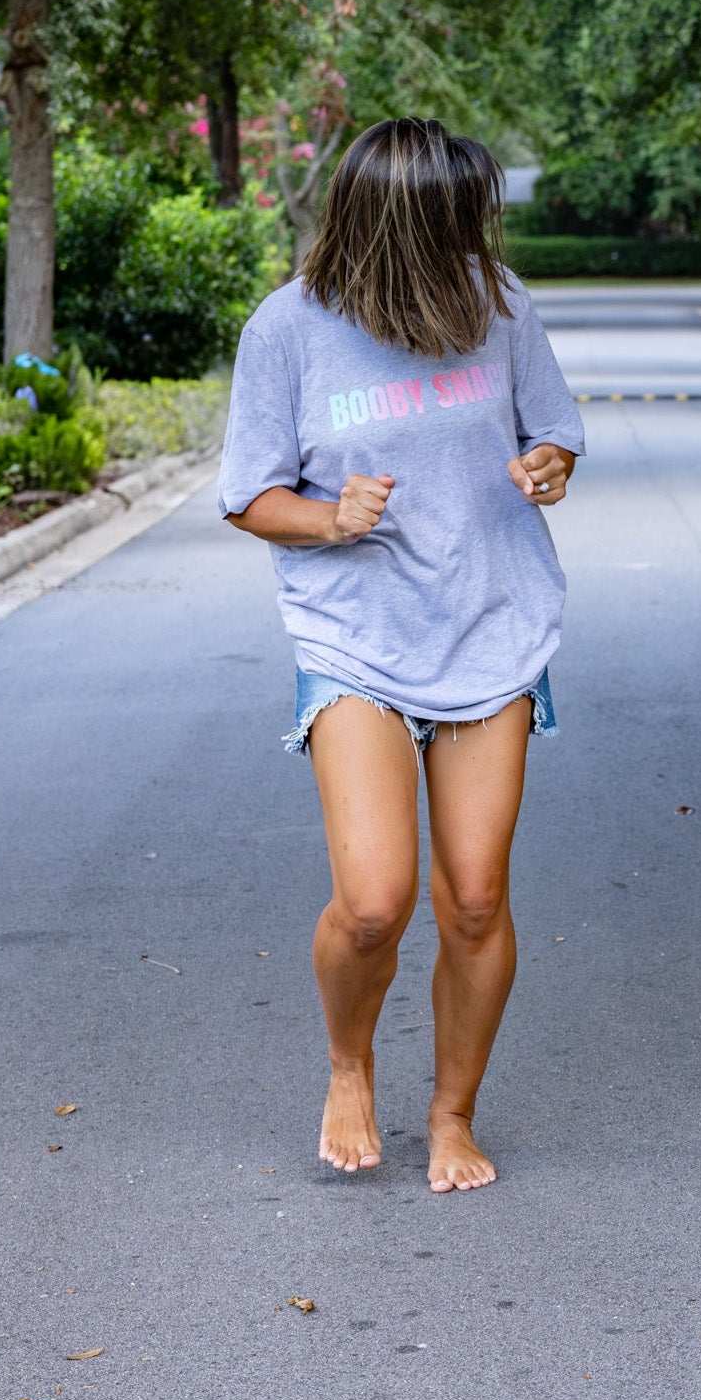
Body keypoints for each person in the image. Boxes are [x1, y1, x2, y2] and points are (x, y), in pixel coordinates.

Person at [218, 119, 584, 1192]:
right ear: (395, 223)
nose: (478, 233)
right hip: (357, 640)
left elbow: (550, 434)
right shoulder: (287, 329)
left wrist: (549, 464)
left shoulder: (501, 304)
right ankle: (349, 1061)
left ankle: (454, 1112)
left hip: (490, 622)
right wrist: (333, 519)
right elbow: (251, 497)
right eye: (457, 216)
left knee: (474, 893)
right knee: (375, 899)